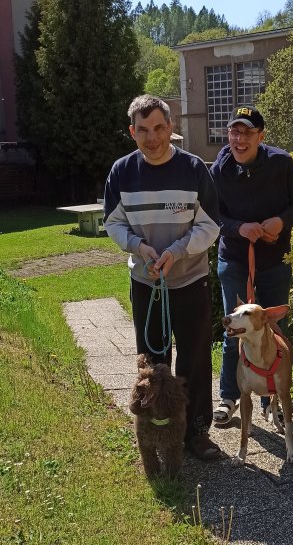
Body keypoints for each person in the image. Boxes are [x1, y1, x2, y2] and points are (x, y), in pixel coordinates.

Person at [104, 94, 222, 460]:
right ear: (132, 132)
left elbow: (210, 224)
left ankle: (196, 432)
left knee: (195, 358)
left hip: (190, 281)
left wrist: (178, 250)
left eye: (159, 128)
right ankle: (156, 429)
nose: (152, 137)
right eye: (143, 130)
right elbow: (114, 223)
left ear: (171, 128)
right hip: (146, 283)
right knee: (153, 362)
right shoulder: (122, 171)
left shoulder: (193, 168)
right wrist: (140, 248)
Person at [210, 104, 293, 424]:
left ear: (261, 136)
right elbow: (212, 216)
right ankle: (228, 397)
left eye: (247, 133)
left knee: (276, 331)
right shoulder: (219, 169)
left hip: (275, 261)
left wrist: (281, 221)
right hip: (234, 260)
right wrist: (239, 228)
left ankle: (272, 402)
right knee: (234, 329)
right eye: (234, 132)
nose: (239, 140)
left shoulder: (281, 163)